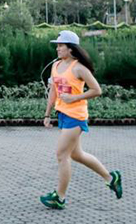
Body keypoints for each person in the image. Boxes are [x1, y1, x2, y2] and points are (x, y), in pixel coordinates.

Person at [40, 30, 123, 210]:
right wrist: (47, 114)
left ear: (71, 48)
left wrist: (74, 98)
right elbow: (53, 91)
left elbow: (97, 90)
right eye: (57, 45)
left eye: (61, 45)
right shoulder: (56, 66)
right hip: (62, 114)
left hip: (76, 116)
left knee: (62, 155)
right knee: (77, 155)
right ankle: (111, 178)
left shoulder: (79, 68)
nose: (57, 48)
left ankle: (59, 197)